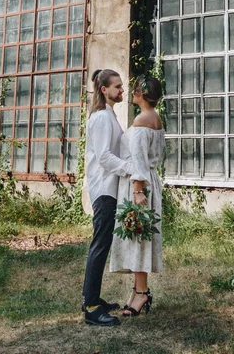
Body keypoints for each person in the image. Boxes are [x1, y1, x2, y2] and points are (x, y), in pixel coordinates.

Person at [109, 75, 165, 317]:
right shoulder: (154, 117)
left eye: (135, 89)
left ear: (143, 94)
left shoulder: (142, 120)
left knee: (137, 237)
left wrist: (138, 190)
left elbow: (140, 159)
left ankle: (142, 294)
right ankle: (137, 290)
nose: (132, 92)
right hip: (145, 181)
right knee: (136, 238)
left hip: (139, 185)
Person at [82, 68, 133, 327]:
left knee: (102, 244)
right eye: (118, 87)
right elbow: (103, 156)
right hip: (103, 189)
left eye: (122, 87)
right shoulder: (102, 117)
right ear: (104, 90)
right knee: (99, 245)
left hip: (109, 188)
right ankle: (91, 307)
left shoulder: (108, 115)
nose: (122, 91)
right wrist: (129, 169)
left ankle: (93, 298)